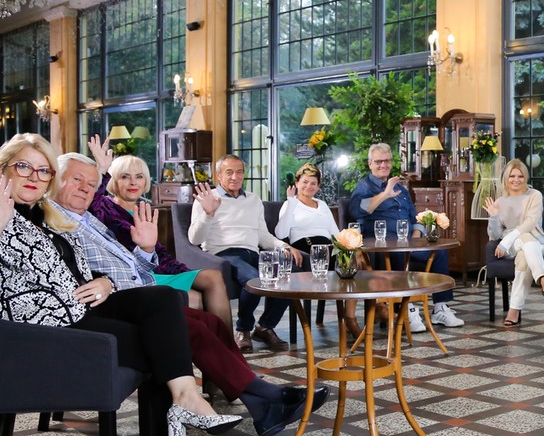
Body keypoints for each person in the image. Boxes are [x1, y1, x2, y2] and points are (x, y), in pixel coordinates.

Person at [0, 133, 241, 436]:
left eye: (43, 170)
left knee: (163, 298)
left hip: (76, 308)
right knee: (153, 339)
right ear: (2, 169)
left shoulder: (48, 215)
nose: (35, 176)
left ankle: (186, 399)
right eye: (24, 167)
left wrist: (105, 283)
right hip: (28, 330)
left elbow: (76, 270)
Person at [52, 151, 329, 436]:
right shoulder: (66, 217)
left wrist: (146, 251)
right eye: (77, 180)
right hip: (110, 303)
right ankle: (266, 397)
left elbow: (132, 265)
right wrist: (111, 280)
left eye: (90, 183)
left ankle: (260, 403)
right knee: (190, 318)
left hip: (137, 287)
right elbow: (88, 273)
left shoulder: (88, 219)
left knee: (211, 322)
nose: (85, 188)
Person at [83, 140, 232, 330]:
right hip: (133, 274)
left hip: (159, 269)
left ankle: (227, 345)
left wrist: (182, 270)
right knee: (198, 298)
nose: (133, 182)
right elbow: (91, 202)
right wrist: (102, 170)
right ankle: (218, 345)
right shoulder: (104, 206)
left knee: (213, 277)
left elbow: (160, 253)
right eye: (125, 177)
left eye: (139, 177)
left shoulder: (143, 209)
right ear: (114, 181)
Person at [189, 154, 302, 352]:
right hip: (223, 255)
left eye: (239, 172)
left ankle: (265, 327)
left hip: (252, 252)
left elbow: (263, 236)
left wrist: (284, 246)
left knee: (289, 274)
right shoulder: (206, 199)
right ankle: (243, 330)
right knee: (254, 279)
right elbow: (194, 239)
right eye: (229, 172)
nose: (235, 177)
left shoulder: (253, 200)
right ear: (218, 175)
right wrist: (208, 214)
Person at [348, 142, 464, 332]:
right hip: (383, 245)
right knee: (398, 253)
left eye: (386, 161)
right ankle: (405, 307)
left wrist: (416, 237)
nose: (383, 165)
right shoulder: (364, 187)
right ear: (370, 164)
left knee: (439, 253)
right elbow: (355, 211)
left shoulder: (401, 189)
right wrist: (385, 194)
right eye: (378, 161)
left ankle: (440, 307)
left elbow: (414, 217)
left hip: (408, 240)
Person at [274, 163, 358, 334]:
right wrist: (290, 202)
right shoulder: (290, 204)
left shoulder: (322, 204)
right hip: (306, 249)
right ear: (296, 183)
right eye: (305, 182)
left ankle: (350, 317)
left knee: (354, 265)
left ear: (318, 186)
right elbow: (280, 233)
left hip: (329, 248)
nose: (309, 186)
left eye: (313, 183)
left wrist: (350, 248)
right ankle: (349, 318)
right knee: (344, 266)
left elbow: (335, 234)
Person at [484, 159, 544, 327]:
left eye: (520, 176)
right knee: (524, 239)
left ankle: (514, 310)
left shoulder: (535, 195)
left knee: (525, 254)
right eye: (512, 176)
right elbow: (494, 235)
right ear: (506, 178)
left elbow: (530, 223)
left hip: (537, 244)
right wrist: (494, 217)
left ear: (526, 178)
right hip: (510, 247)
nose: (516, 180)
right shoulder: (499, 202)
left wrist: (506, 240)